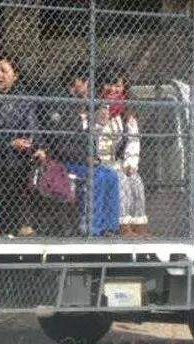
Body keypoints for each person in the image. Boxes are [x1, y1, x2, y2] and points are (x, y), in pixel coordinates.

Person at [34, 63, 120, 236]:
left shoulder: (78, 104)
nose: (89, 87)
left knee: (110, 175)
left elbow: (81, 138)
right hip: (62, 161)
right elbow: (60, 143)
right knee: (95, 175)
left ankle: (109, 227)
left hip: (79, 159)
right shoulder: (59, 102)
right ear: (76, 82)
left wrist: (91, 150)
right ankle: (90, 228)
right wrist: (85, 157)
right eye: (86, 82)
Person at [0, 57, 39, 237]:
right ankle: (10, 225)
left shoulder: (24, 100)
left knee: (24, 167)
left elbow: (32, 128)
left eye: (4, 71)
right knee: (7, 168)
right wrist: (9, 142)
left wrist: (30, 143)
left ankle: (21, 224)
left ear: (15, 76)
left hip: (19, 155)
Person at [98, 70, 147, 236]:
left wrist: (130, 164)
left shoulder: (126, 112)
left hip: (117, 161)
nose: (113, 89)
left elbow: (133, 141)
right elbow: (93, 141)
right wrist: (99, 123)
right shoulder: (94, 108)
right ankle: (122, 226)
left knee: (136, 180)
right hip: (100, 161)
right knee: (120, 180)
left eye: (118, 85)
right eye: (109, 84)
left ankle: (139, 226)